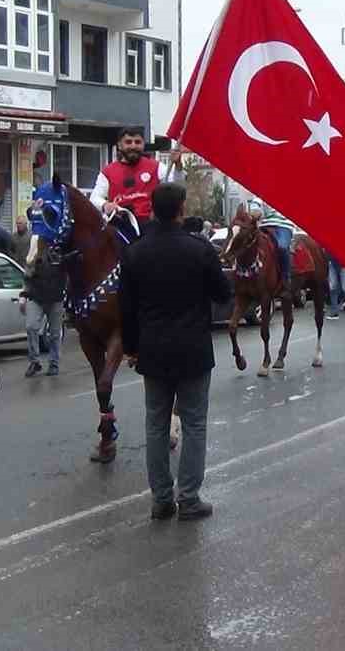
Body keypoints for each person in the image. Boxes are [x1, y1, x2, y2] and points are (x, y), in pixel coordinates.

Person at [120, 183, 231, 522]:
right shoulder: (199, 249)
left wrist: (130, 348)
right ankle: (190, 498)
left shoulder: (136, 252)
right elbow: (223, 293)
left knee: (155, 425)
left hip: (152, 351)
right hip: (193, 351)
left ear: (152, 210)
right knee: (194, 423)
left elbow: (126, 307)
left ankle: (162, 499)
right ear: (182, 208)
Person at [90, 127, 182, 243]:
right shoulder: (108, 172)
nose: (133, 146)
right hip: (122, 227)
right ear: (119, 145)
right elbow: (94, 198)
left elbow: (176, 189)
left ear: (143, 144)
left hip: (152, 227)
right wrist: (105, 205)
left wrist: (178, 166)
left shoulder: (156, 167)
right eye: (128, 142)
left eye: (137, 142)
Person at [20, 240, 65, 378]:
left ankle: (54, 363)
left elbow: (68, 273)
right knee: (31, 326)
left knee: (54, 333)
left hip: (55, 298)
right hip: (37, 296)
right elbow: (27, 276)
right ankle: (35, 361)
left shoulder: (60, 250)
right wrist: (23, 295)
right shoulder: (35, 252)